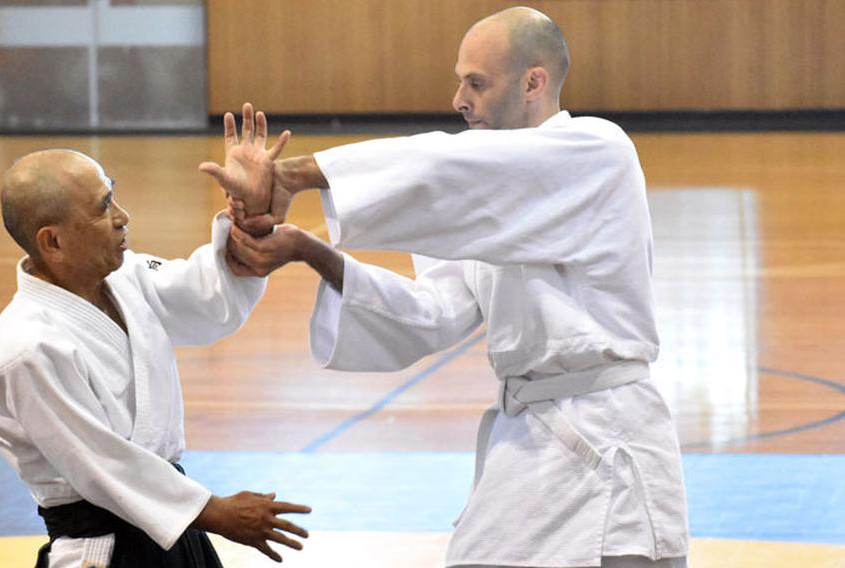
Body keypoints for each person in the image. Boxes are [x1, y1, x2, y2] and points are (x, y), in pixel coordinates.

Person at [204, 6, 688, 568]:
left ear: (533, 81)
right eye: (460, 80)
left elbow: (444, 164)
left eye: (477, 83)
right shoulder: (484, 201)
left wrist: (296, 175)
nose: (459, 98)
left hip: (607, 439)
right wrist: (308, 251)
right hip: (529, 441)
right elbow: (430, 314)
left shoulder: (597, 151)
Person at [0, 149, 310, 568]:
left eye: (112, 196)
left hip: (175, 526)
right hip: (102, 547)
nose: (122, 216)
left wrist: (250, 219)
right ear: (53, 241)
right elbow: (101, 464)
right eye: (102, 209)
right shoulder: (27, 349)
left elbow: (210, 299)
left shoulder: (125, 276)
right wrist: (215, 512)